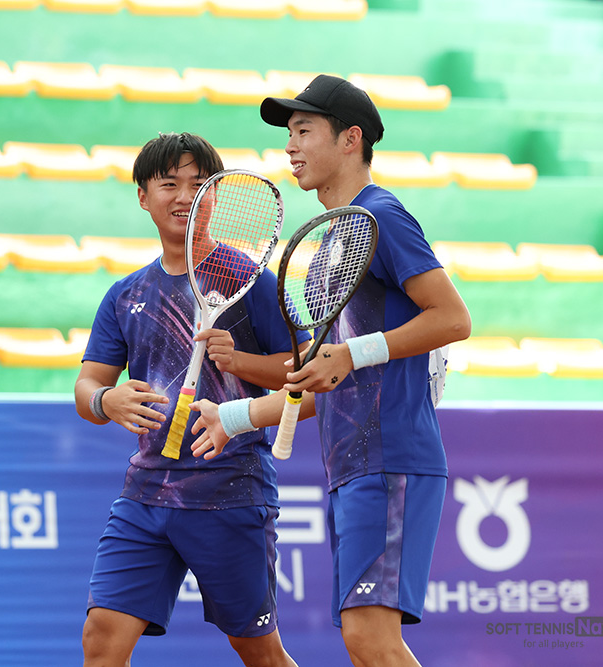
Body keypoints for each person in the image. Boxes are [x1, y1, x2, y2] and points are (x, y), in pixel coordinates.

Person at [189, 75, 472, 667]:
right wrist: (235, 416)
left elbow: (452, 318)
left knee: (371, 639)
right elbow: (327, 381)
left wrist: (353, 353)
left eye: (303, 131)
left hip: (392, 455)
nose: (290, 146)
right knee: (365, 643)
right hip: (352, 464)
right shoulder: (334, 242)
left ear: (350, 139)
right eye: (289, 134)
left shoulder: (382, 217)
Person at [74, 131, 305, 667]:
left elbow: (306, 374)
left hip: (230, 491)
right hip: (145, 493)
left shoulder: (251, 281)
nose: (185, 197)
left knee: (259, 653)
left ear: (216, 196)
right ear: (143, 196)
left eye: (200, 185)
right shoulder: (125, 295)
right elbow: (86, 388)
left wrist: (241, 362)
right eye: (169, 184)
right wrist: (107, 400)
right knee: (101, 638)